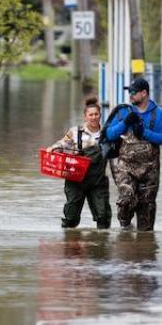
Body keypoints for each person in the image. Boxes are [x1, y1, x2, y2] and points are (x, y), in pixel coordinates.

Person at [105, 78, 162, 231]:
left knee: (146, 215)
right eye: (129, 92)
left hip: (150, 170)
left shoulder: (159, 113)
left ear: (144, 93)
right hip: (125, 167)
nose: (130, 95)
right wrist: (124, 123)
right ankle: (125, 226)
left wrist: (144, 132)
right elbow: (108, 134)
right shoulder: (122, 112)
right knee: (126, 199)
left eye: (133, 92)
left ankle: (143, 249)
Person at [48, 97, 112, 229]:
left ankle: (101, 246)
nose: (94, 117)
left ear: (100, 115)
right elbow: (62, 143)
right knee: (71, 218)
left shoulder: (107, 133)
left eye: (96, 114)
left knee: (103, 216)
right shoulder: (75, 131)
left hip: (97, 181)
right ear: (85, 116)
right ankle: (69, 241)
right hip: (75, 179)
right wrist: (52, 149)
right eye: (91, 115)